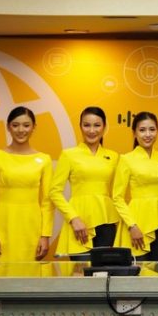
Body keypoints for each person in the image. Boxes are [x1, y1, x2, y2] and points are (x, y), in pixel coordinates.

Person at [0, 106, 53, 273]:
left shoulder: (44, 160)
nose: (21, 130)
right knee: (0, 274)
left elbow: (47, 202)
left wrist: (45, 236)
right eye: (15, 125)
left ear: (34, 127)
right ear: (8, 127)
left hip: (32, 227)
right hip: (2, 226)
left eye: (26, 125)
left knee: (29, 278)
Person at [50, 107, 119, 261]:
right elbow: (54, 192)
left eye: (97, 125)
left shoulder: (113, 156)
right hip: (79, 223)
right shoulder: (69, 155)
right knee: (80, 273)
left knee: (105, 271)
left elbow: (117, 193)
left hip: (107, 222)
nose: (92, 130)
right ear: (80, 127)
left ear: (104, 127)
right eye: (87, 125)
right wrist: (73, 218)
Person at [112, 112, 158, 261]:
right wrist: (132, 226)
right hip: (136, 223)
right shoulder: (126, 159)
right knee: (137, 271)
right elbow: (117, 198)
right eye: (142, 130)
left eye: (152, 129)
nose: (147, 134)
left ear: (157, 131)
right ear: (134, 133)